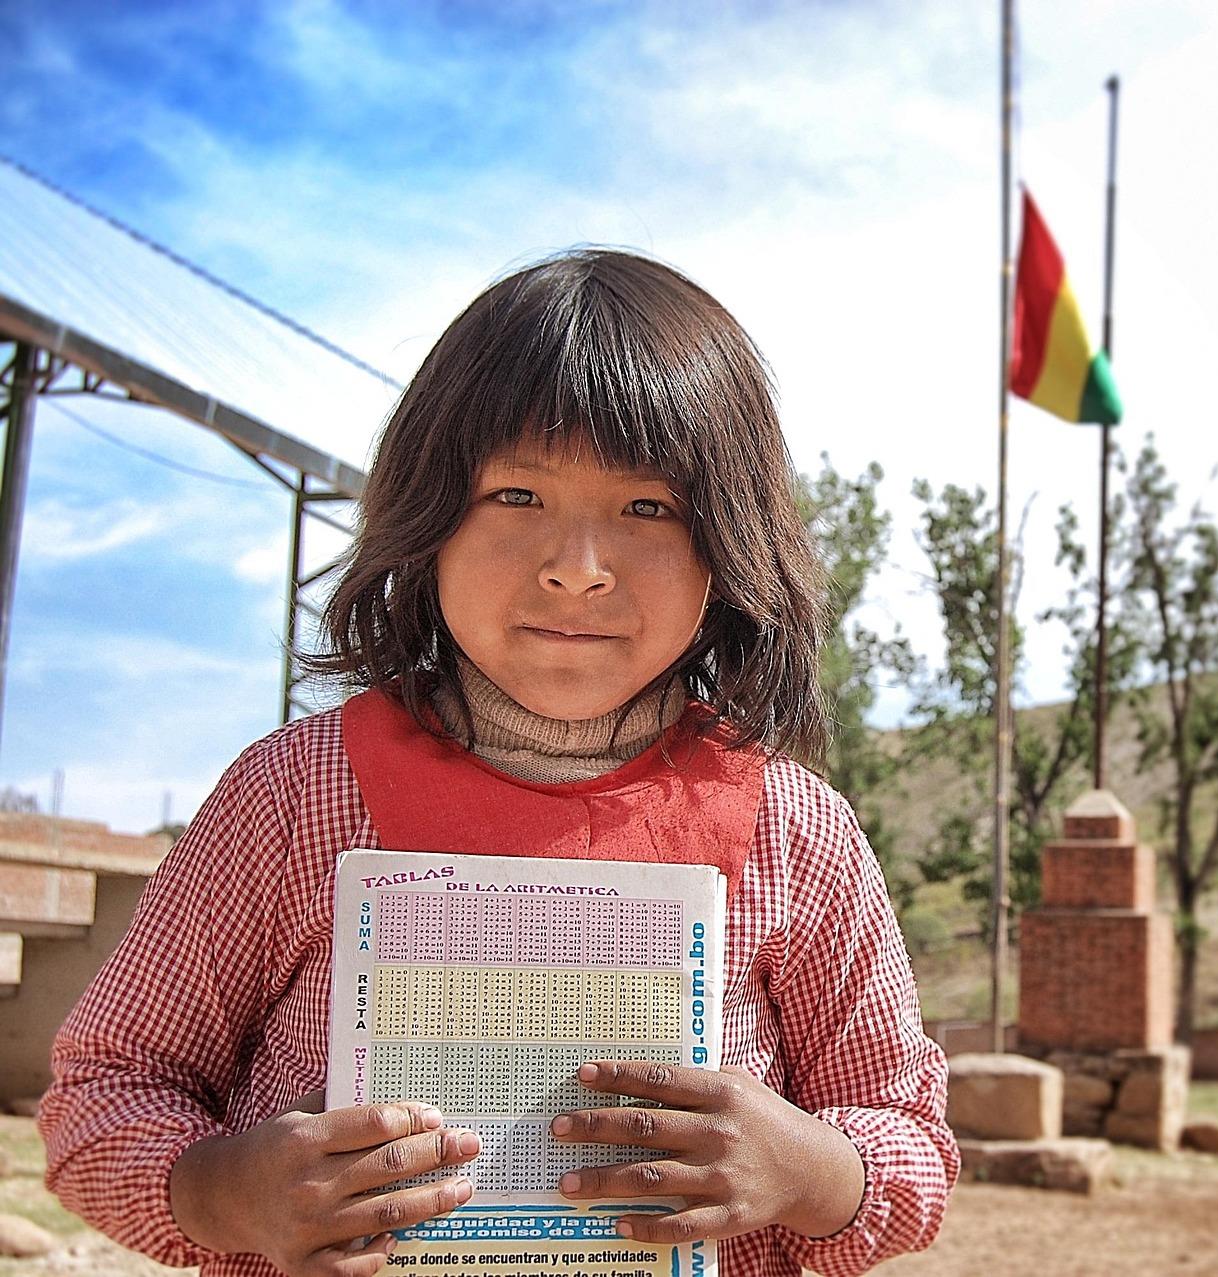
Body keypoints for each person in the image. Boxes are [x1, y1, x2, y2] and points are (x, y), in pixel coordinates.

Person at [38, 249, 959, 1277]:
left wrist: (807, 1168)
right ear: (430, 518)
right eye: (516, 492)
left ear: (728, 546)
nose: (577, 565)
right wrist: (228, 1192)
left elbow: (910, 1142)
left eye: (647, 507)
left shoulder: (797, 830)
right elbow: (105, 1089)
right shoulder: (295, 794)